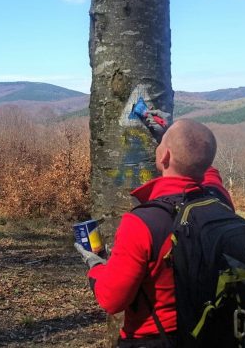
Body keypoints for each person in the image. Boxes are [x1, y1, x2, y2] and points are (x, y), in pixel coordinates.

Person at [75, 117, 234, 348]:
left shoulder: (141, 223)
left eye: (162, 145)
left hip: (157, 338)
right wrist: (175, 142)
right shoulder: (220, 203)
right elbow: (204, 168)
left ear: (165, 156)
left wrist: (96, 266)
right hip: (211, 333)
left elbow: (112, 299)